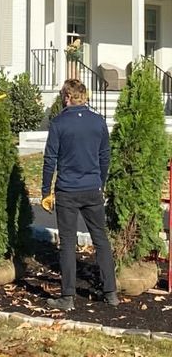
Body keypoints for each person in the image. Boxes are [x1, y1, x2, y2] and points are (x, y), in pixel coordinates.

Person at [41, 78, 118, 311]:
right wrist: (100, 182)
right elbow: (105, 156)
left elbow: (50, 159)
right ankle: (111, 292)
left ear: (67, 97)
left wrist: (46, 191)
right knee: (100, 239)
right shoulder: (98, 121)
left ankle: (67, 297)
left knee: (67, 243)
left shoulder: (58, 123)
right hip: (92, 188)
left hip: (67, 190)